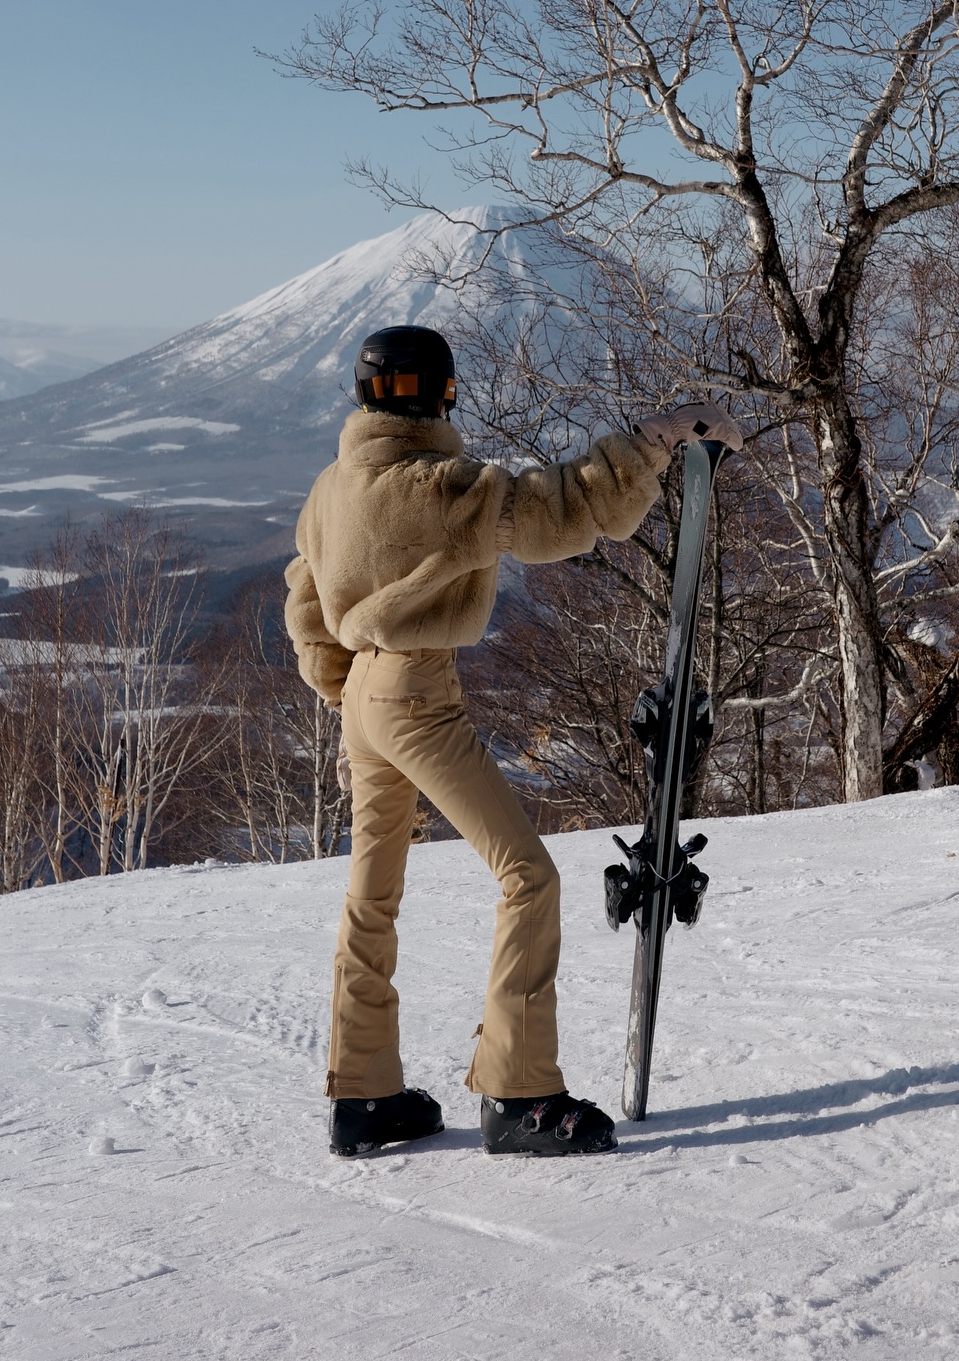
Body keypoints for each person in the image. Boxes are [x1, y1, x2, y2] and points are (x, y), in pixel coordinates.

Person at [284, 323, 742, 1158]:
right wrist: (656, 440)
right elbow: (560, 511)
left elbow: (306, 601)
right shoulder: (437, 487)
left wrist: (345, 690)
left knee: (371, 897)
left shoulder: (331, 489)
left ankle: (363, 1094)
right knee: (528, 876)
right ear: (444, 394)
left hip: (361, 698)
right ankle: (519, 1092)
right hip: (416, 696)